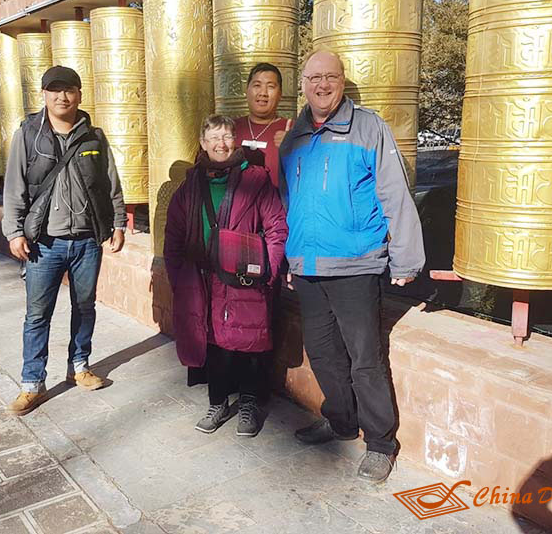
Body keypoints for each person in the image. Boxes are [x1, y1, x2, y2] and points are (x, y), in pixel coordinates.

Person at [279, 50, 425, 483]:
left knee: (365, 358)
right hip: (308, 265)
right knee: (323, 353)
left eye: (331, 77)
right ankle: (342, 421)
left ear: (343, 82)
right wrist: (291, 254)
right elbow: (289, 200)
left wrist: (406, 257)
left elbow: (395, 194)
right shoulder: (295, 137)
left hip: (356, 265)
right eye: (314, 78)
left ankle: (381, 442)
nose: (322, 85)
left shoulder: (369, 128)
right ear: (303, 83)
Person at [2, 65, 127, 415]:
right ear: (44, 95)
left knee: (85, 307)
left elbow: (111, 184)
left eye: (69, 89)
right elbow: (15, 186)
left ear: (79, 95)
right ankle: (32, 383)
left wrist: (117, 223)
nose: (62, 96)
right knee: (37, 315)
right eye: (54, 90)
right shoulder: (28, 135)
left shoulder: (94, 138)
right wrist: (13, 232)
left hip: (87, 240)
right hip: (44, 243)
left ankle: (80, 367)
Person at [164, 115, 287, 437]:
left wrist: (269, 272)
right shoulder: (189, 187)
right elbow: (173, 238)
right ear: (203, 144)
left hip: (244, 277)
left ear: (236, 141)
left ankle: (248, 405)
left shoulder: (257, 180)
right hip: (201, 279)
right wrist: (180, 278)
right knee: (214, 344)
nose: (220, 144)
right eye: (213, 137)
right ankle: (217, 402)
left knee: (250, 343)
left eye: (226, 136)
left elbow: (276, 228)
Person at [233, 62, 292, 189]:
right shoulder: (230, 129)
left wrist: (295, 147)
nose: (263, 93)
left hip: (278, 206)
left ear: (280, 94)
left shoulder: (293, 130)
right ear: (246, 90)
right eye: (257, 85)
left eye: (270, 87)